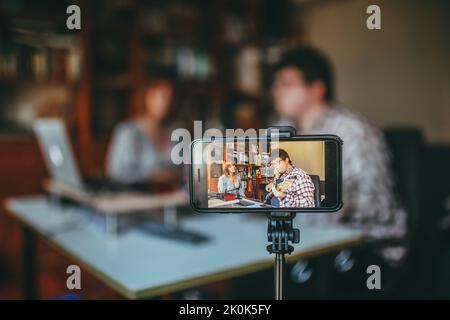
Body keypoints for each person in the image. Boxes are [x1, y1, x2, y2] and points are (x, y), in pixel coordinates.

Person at [271, 46, 407, 264]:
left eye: (286, 83)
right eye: (275, 84)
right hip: (307, 240)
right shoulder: (281, 129)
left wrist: (333, 199)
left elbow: (380, 206)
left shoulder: (352, 132)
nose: (276, 90)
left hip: (364, 246)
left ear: (316, 89)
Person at [106, 77, 180, 187]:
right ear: (146, 97)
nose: (165, 103)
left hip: (170, 197)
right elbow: (115, 173)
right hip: (136, 197)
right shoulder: (128, 131)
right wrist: (153, 176)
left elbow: (183, 170)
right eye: (161, 97)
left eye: (169, 99)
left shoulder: (174, 131)